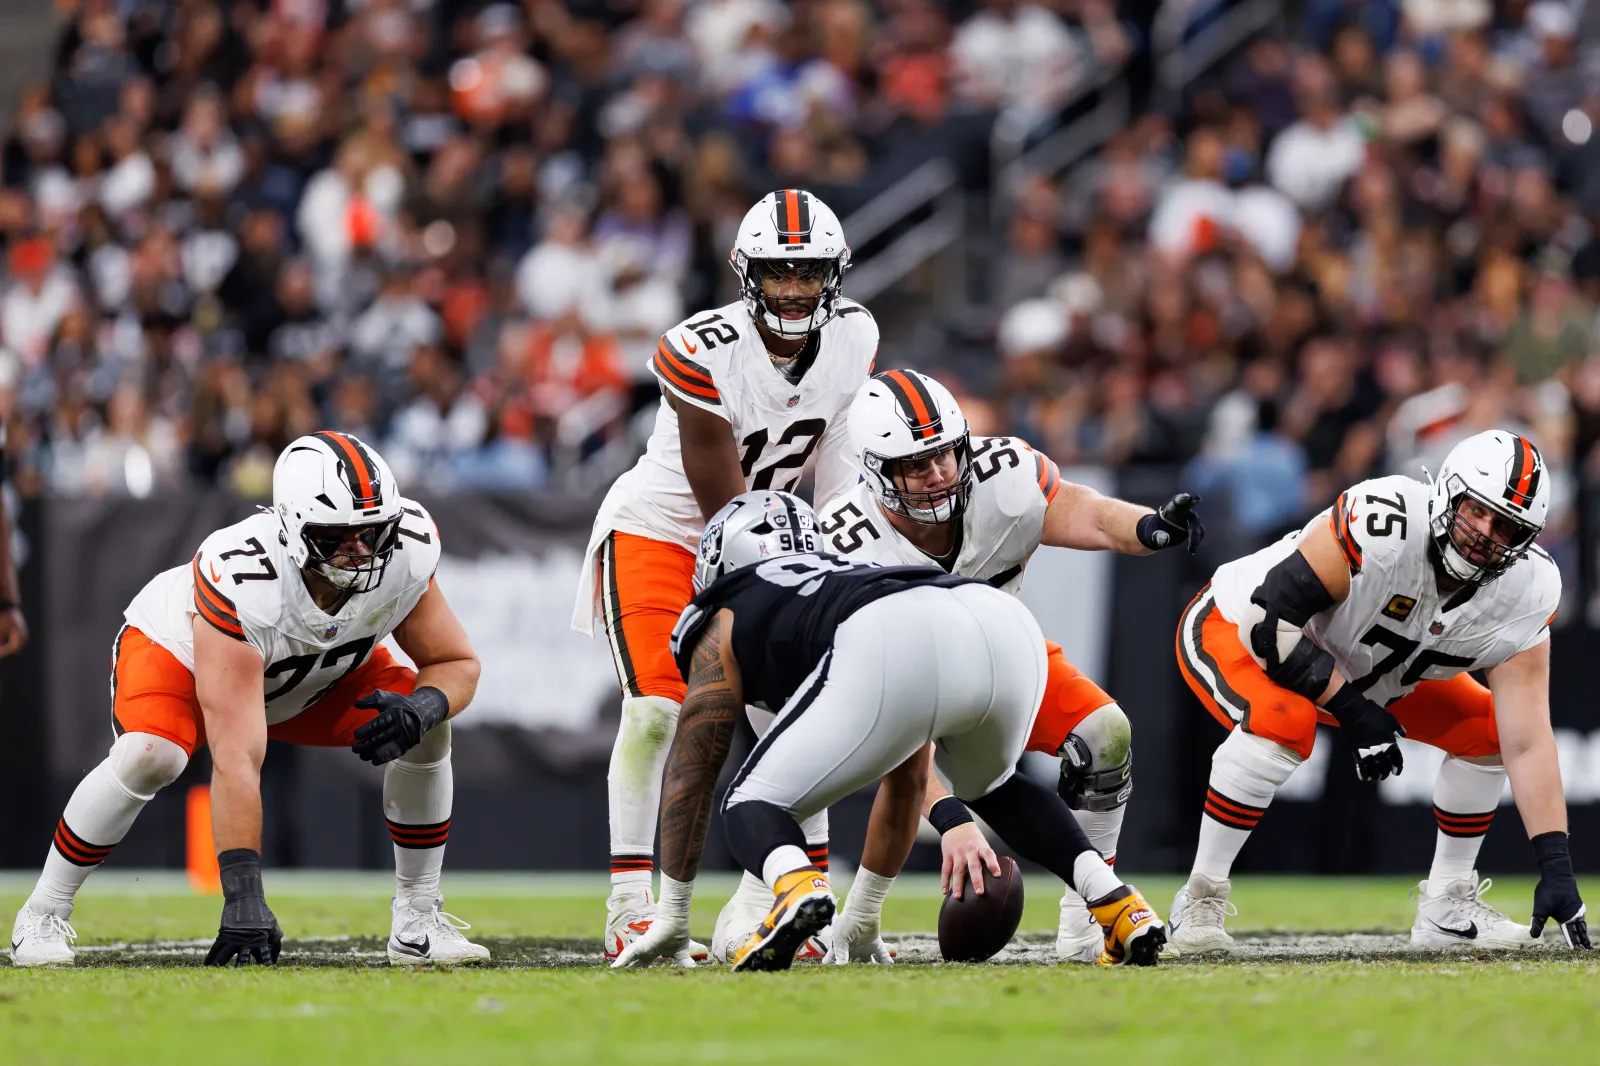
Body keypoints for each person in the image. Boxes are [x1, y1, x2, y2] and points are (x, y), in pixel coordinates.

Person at [710, 369, 1202, 963]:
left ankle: (1084, 920)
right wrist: (953, 817)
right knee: (918, 778)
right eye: (915, 465)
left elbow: (1090, 512)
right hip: (940, 661)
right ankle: (852, 919)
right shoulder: (845, 541)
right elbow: (904, 749)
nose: (937, 473)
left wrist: (1149, 528)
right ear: (874, 472)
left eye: (944, 455)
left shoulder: (1004, 477)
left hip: (967, 659)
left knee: (1104, 733)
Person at [612, 490, 1166, 971]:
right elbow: (907, 775)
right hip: (998, 621)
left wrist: (674, 913)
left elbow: (693, 767)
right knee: (991, 789)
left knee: (749, 801)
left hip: (886, 633)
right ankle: (1117, 903)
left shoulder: (723, 610)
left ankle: (798, 885)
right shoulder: (840, 576)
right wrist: (863, 919)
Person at [9, 433, 488, 967]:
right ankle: (42, 911)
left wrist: (424, 707)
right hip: (183, 653)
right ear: (292, 530)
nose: (361, 551)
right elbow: (236, 757)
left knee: (429, 720)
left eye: (372, 532)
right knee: (154, 754)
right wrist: (243, 896)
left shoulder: (405, 550)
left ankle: (417, 918)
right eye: (339, 537)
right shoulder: (242, 579)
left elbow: (456, 664)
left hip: (309, 674)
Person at [570, 189, 877, 964]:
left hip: (771, 536)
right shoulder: (699, 348)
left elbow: (839, 457)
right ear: (748, 275)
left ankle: (794, 894)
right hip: (666, 533)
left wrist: (843, 552)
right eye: (780, 273)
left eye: (810, 274)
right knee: (655, 714)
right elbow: (721, 503)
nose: (796, 290)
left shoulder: (855, 335)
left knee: (804, 712)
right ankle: (628, 906)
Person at [1170, 430, 1590, 953]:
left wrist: (1556, 867)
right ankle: (1200, 900)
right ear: (1447, 493)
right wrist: (1352, 710)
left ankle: (1446, 907)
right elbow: (1270, 623)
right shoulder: (1384, 520)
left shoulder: (1527, 591)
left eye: (1505, 526)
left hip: (1373, 670)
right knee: (1285, 723)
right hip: (1241, 627)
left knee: (1489, 733)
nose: (1484, 533)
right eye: (1476, 511)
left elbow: (1527, 741)